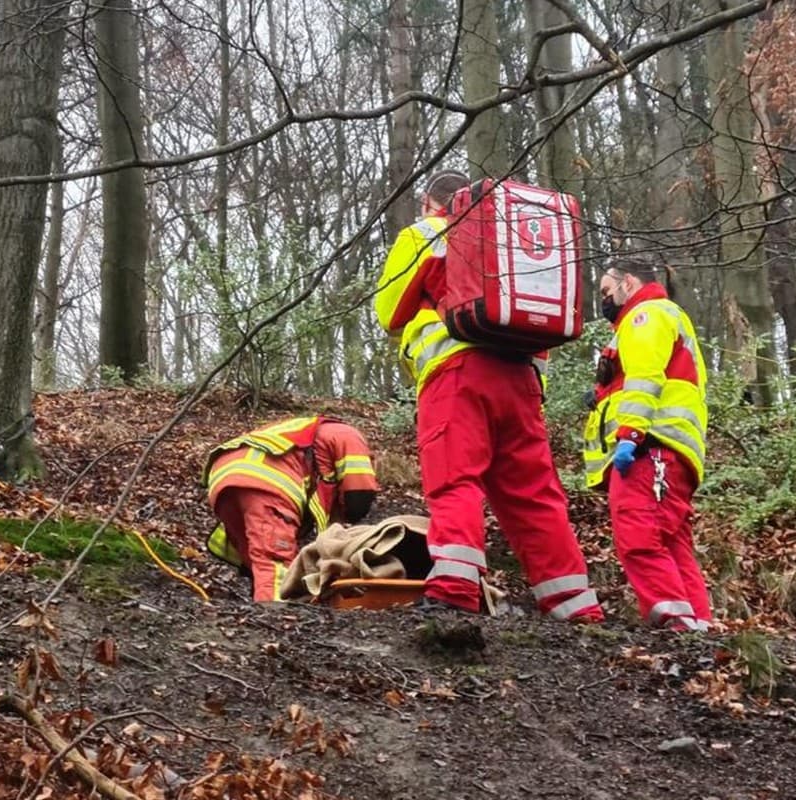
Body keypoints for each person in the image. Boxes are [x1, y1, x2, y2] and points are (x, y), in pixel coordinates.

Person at [375, 170, 603, 621]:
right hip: (522, 380)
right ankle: (576, 608)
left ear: (429, 203)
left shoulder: (427, 233)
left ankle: (454, 589)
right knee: (535, 495)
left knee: (455, 479)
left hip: (458, 375)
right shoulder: (514, 239)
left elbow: (389, 310)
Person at [584, 257, 710, 631]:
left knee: (638, 536)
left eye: (608, 291)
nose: (605, 299)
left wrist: (630, 435)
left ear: (630, 283)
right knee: (672, 543)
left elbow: (644, 379)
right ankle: (697, 627)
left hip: (647, 449)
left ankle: (674, 624)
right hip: (671, 453)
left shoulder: (646, 315)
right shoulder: (664, 317)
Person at [203, 416, 380, 601]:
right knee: (274, 561)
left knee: (256, 559)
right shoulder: (348, 435)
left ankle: (258, 607)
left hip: (224, 474)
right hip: (266, 477)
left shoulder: (305, 433)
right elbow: (359, 496)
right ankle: (275, 616)